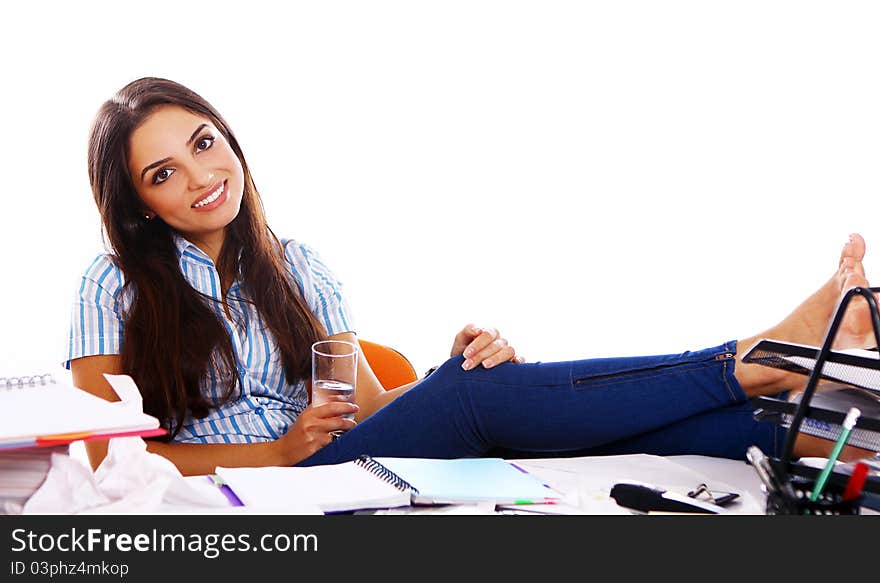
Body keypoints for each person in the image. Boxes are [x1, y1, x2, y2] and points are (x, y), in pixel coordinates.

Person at [67, 77, 877, 476]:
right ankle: (776, 353)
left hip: (342, 451)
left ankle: (810, 434)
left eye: (204, 143)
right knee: (477, 398)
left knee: (477, 382)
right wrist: (277, 451)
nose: (200, 175)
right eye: (162, 173)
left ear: (230, 142)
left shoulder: (298, 264)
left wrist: (439, 371)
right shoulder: (113, 284)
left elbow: (371, 408)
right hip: (272, 479)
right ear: (139, 203)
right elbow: (107, 462)